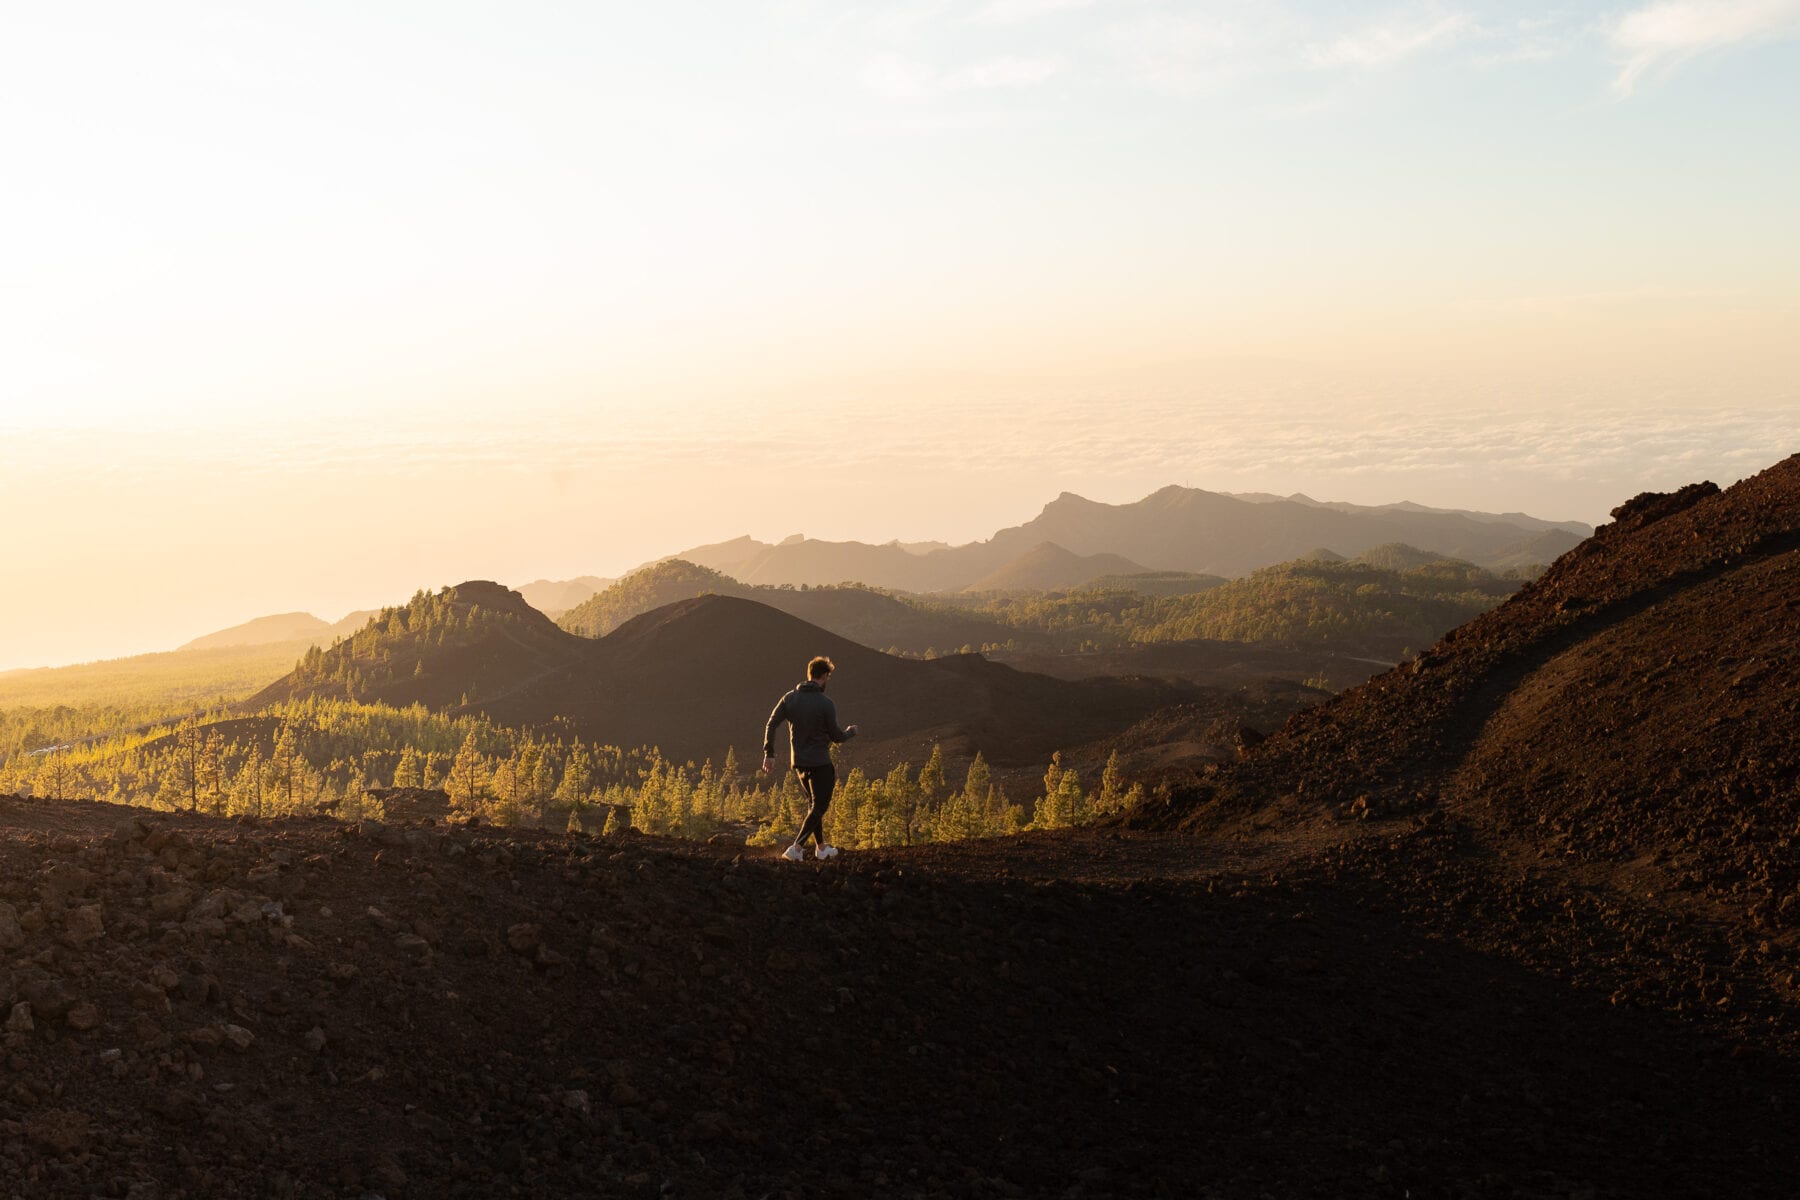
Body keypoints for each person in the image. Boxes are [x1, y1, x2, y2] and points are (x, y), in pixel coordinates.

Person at [762, 655, 858, 861]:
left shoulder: (789, 698)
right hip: (820, 763)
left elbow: (771, 724)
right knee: (820, 805)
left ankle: (821, 848)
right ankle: (796, 848)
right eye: (827, 678)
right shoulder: (825, 703)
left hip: (799, 764)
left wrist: (769, 753)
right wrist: (851, 731)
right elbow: (837, 737)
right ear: (823, 676)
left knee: (813, 805)